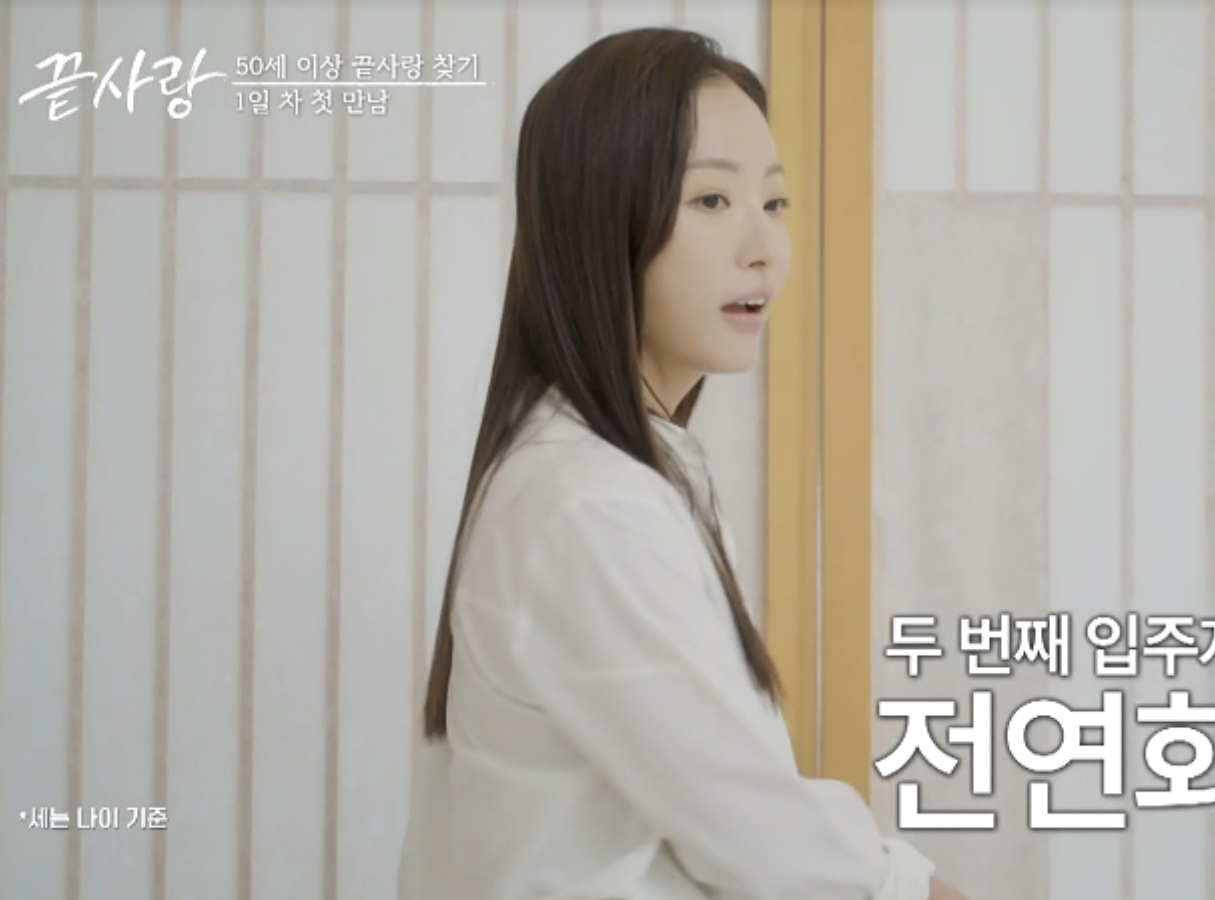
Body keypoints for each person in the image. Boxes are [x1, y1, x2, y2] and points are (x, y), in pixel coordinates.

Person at [395, 28, 970, 900]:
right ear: (603, 222)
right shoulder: (588, 502)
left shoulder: (615, 475)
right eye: (711, 200)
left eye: (773, 202)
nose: (764, 247)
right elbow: (761, 841)